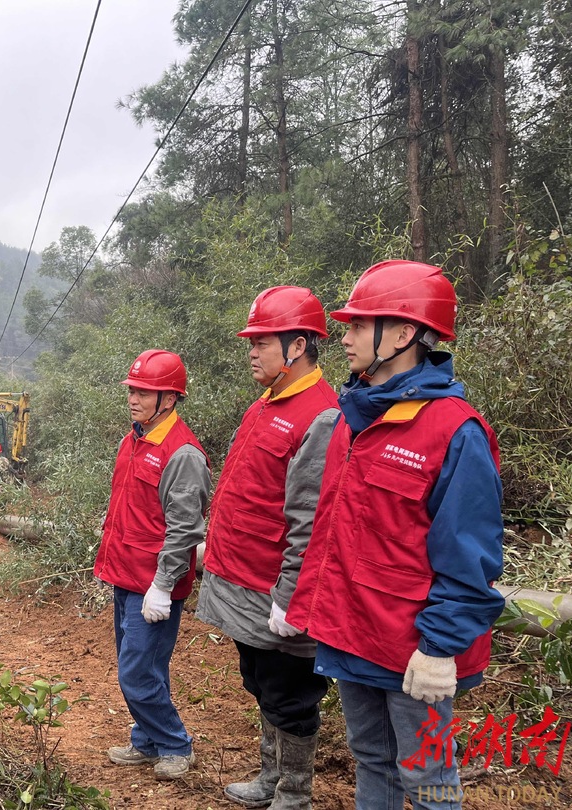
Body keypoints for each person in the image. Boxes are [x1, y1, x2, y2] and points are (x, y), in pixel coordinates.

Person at [285, 261, 505, 809]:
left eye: (361, 325)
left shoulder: (454, 430)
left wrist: (439, 647)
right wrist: (306, 607)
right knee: (372, 759)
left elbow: (470, 554)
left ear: (403, 333)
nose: (346, 336)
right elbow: (334, 532)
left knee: (429, 778)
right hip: (352, 630)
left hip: (413, 646)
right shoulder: (353, 419)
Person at [196, 287, 338, 809]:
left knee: (290, 693)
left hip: (274, 586)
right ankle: (270, 777)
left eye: (261, 341)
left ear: (297, 345)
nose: (251, 351)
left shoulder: (320, 416)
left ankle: (294, 793)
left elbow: (310, 520)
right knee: (259, 681)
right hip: (242, 578)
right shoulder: (269, 404)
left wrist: (292, 593)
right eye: (250, 342)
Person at [93, 349, 211, 781]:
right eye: (132, 390)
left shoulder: (183, 454)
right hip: (124, 575)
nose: (134, 398)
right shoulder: (135, 438)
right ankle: (146, 741)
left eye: (144, 391)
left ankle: (176, 744)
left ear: (170, 399)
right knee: (142, 665)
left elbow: (185, 529)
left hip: (152, 585)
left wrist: (162, 586)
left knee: (137, 672)